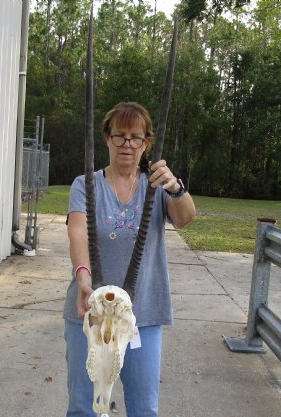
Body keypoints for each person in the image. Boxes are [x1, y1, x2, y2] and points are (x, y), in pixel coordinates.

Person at [63, 102, 196, 417]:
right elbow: (78, 232)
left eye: (136, 137)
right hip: (90, 313)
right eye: (119, 135)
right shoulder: (86, 185)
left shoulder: (157, 186)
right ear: (107, 138)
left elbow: (186, 219)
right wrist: (84, 277)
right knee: (84, 407)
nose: (127, 144)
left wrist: (175, 187)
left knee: (143, 409)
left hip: (144, 314)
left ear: (147, 142)